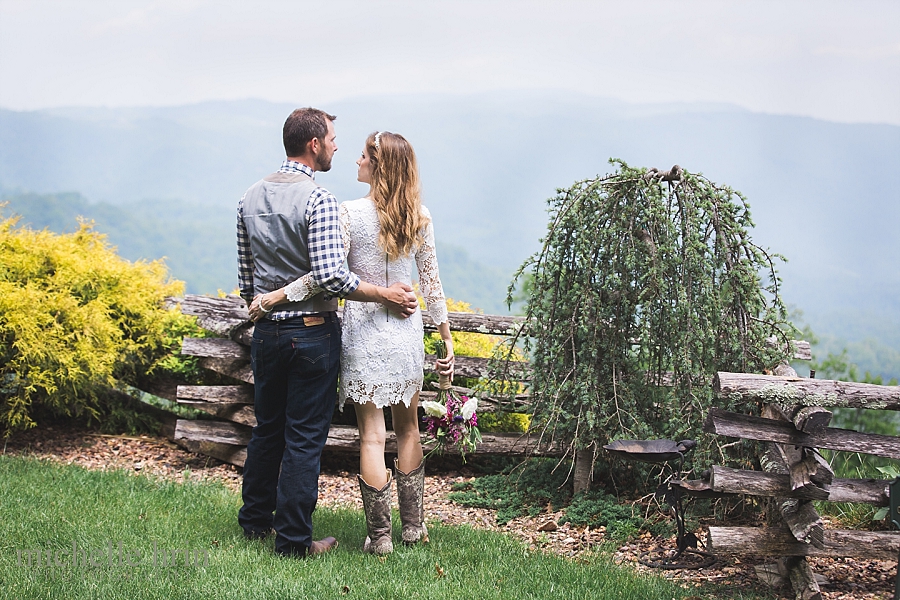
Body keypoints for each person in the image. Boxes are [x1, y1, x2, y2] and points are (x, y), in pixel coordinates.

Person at [247, 130, 453, 555]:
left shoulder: (349, 213)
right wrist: (445, 339)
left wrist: (276, 295)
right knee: (409, 427)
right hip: (405, 332)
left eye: (362, 156)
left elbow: (325, 275)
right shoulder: (420, 215)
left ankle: (379, 539)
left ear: (378, 167)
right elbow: (431, 285)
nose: (355, 160)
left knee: (373, 437)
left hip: (364, 332)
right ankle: (413, 528)